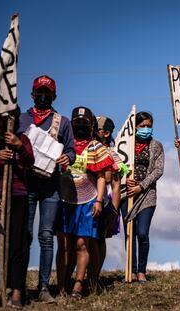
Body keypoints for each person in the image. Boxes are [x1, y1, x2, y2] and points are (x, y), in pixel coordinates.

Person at [19, 75, 75, 303]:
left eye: (47, 92)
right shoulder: (21, 119)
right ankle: (18, 286)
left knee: (46, 236)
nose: (43, 95)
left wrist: (66, 158)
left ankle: (43, 288)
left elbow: (71, 150)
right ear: (32, 94)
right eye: (39, 91)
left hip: (51, 186)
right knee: (25, 236)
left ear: (54, 96)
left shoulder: (62, 122)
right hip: (25, 184)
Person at [56, 107, 114, 298]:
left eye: (84, 123)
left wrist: (99, 200)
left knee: (82, 244)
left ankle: (78, 286)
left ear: (91, 126)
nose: (80, 127)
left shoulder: (96, 147)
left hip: (87, 201)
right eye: (77, 123)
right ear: (71, 124)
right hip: (64, 200)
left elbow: (101, 177)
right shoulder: (62, 144)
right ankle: (61, 285)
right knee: (64, 245)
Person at [0, 108, 35, 309]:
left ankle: (17, 290)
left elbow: (30, 162)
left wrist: (19, 148)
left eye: (13, 117)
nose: (9, 120)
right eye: (5, 117)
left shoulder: (22, 139)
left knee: (18, 242)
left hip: (17, 195)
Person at [121, 111, 164, 285]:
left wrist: (141, 186)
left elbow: (158, 170)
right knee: (129, 233)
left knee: (142, 232)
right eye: (142, 126)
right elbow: (117, 164)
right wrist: (126, 178)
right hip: (127, 193)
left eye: (149, 126)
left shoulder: (156, 145)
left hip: (147, 194)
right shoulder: (126, 145)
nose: (146, 129)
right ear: (135, 127)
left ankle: (141, 271)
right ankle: (130, 270)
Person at [89, 116, 128, 287]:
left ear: (107, 133)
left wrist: (114, 209)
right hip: (80, 200)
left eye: (100, 129)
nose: (97, 132)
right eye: (95, 128)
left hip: (102, 202)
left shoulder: (113, 155)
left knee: (99, 239)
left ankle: (94, 277)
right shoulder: (85, 149)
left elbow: (117, 185)